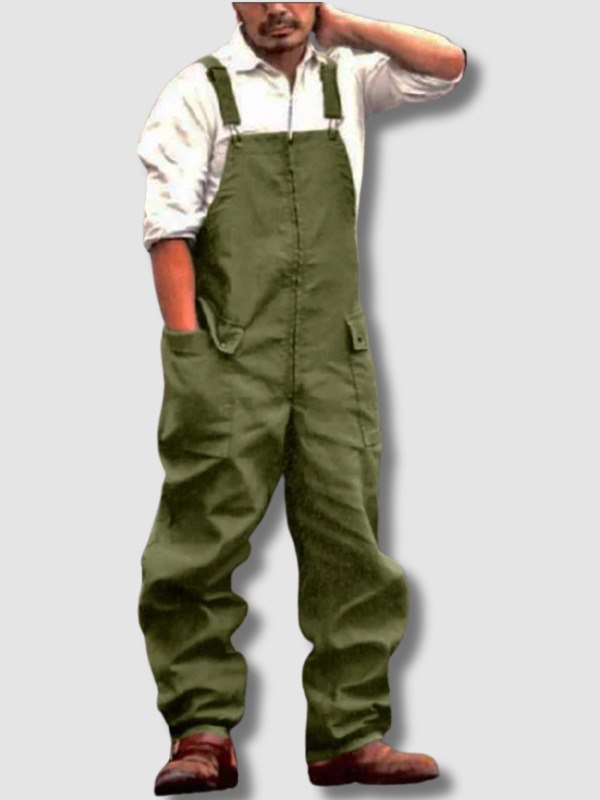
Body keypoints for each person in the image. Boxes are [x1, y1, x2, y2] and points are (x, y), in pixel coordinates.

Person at [136, 2, 466, 793]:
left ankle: (350, 735)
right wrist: (192, 352)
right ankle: (201, 732)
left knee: (348, 540)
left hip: (330, 356)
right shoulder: (200, 91)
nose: (278, 8)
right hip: (230, 353)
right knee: (200, 536)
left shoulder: (344, 79)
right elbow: (168, 232)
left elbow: (447, 65)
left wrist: (344, 28)